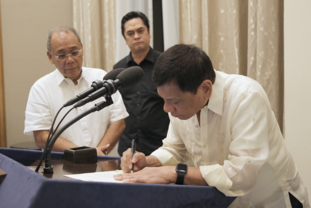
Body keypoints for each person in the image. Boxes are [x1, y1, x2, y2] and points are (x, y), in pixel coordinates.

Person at [114, 44, 310, 208]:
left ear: (205, 88)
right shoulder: (179, 103)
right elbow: (175, 148)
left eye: (174, 101)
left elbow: (242, 174)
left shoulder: (246, 97)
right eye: (163, 100)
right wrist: (148, 162)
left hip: (270, 200)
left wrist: (172, 173)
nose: (166, 108)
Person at [24, 26, 128, 156]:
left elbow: (118, 121)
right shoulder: (41, 89)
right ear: (50, 57)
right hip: (62, 169)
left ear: (82, 49)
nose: (70, 60)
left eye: (74, 52)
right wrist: (85, 154)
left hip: (104, 165)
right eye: (62, 55)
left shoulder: (101, 77)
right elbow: (41, 136)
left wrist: (98, 153)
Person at [113, 11, 169, 156]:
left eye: (140, 31)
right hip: (127, 147)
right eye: (130, 33)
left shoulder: (165, 63)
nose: (136, 36)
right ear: (125, 39)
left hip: (161, 146)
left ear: (149, 33)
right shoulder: (118, 70)